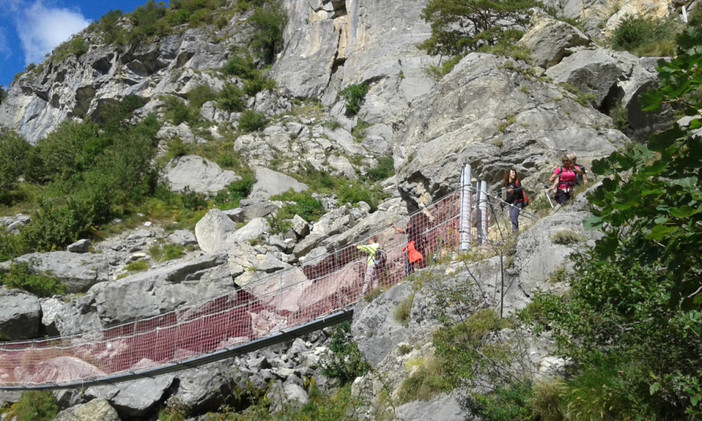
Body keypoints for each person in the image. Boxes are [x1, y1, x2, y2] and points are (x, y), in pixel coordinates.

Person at [503, 168, 524, 233]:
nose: (514, 174)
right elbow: (509, 198)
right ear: (508, 174)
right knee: (512, 217)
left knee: (514, 216)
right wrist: (503, 201)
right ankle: (516, 233)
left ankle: (514, 233)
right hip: (511, 204)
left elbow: (520, 190)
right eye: (512, 172)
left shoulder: (517, 182)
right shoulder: (507, 185)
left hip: (517, 202)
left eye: (514, 172)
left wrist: (513, 192)